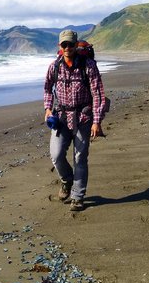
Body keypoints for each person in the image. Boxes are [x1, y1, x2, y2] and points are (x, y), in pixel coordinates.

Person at [43, 29, 107, 211]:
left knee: (80, 157)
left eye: (71, 44)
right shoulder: (54, 66)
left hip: (84, 117)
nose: (68, 47)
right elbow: (48, 88)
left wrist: (97, 121)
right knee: (55, 155)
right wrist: (48, 109)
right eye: (64, 44)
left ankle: (78, 196)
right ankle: (67, 180)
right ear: (59, 46)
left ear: (76, 45)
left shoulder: (88, 66)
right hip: (61, 117)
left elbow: (98, 95)